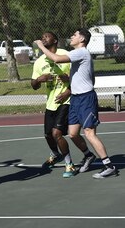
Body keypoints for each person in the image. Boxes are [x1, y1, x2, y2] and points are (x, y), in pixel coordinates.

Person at [35, 28, 118, 179]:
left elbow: (56, 59)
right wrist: (71, 80)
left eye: (74, 35)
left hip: (86, 98)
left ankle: (109, 166)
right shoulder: (80, 55)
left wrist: (40, 46)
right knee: (72, 134)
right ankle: (88, 155)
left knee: (89, 133)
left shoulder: (81, 52)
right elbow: (90, 77)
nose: (71, 37)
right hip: (75, 98)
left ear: (82, 39)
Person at [31, 31, 76, 177]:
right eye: (42, 36)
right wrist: (39, 80)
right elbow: (33, 85)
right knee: (47, 134)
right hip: (50, 103)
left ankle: (69, 164)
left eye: (47, 36)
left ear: (55, 40)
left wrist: (67, 91)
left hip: (65, 101)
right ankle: (56, 154)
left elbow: (78, 79)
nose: (43, 38)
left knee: (56, 133)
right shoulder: (39, 62)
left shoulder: (66, 55)